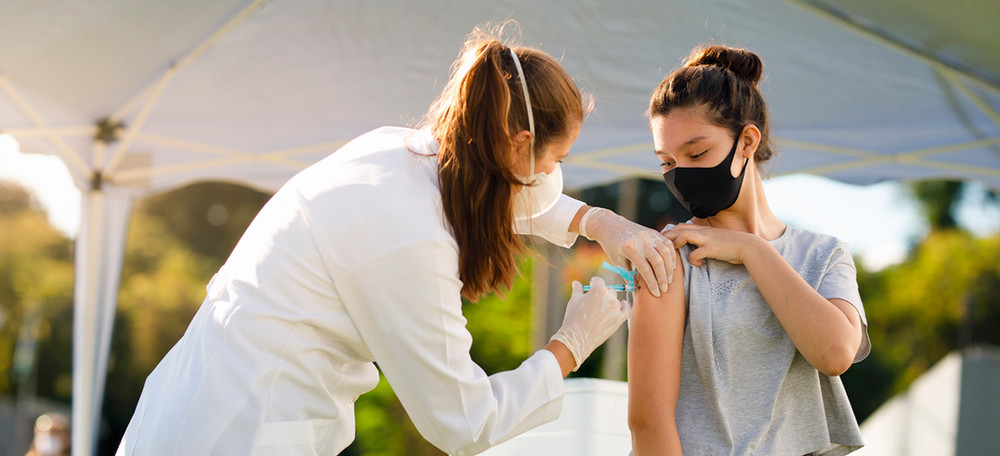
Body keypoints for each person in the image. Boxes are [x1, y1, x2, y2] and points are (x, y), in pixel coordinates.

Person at [116, 22, 676, 456]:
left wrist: (600, 222)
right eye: (556, 158)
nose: (557, 174)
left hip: (198, 409)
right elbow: (463, 421)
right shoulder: (408, 238)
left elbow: (493, 200)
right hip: (241, 432)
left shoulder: (397, 153)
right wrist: (570, 345)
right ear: (518, 143)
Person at [627, 45, 870, 456]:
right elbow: (649, 423)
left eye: (697, 153)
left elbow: (835, 352)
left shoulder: (823, 255)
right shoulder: (671, 257)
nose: (680, 174)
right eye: (666, 162)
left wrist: (751, 251)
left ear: (746, 142)